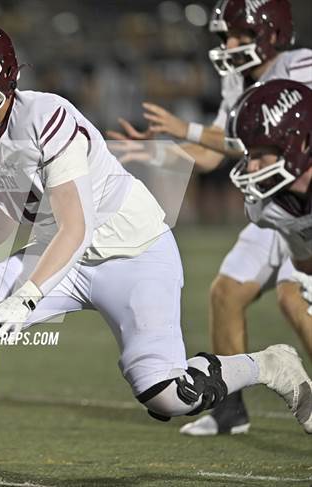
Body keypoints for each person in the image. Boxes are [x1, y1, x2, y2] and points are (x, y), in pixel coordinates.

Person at [0, 21, 312, 487]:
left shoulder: (45, 116)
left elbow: (77, 225)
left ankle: (269, 365)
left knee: (168, 395)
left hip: (131, 251)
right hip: (60, 254)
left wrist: (26, 297)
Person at [108, 0, 312, 436]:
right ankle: (229, 411)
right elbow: (212, 154)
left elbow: (268, 140)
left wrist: (186, 129)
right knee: (226, 293)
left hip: (304, 197)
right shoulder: (236, 79)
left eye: (240, 34)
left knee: (296, 299)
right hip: (276, 204)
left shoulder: (301, 66)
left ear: (272, 32)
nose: (231, 44)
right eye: (226, 36)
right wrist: (154, 152)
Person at [226, 79, 312, 322]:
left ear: (300, 143)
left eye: (260, 154)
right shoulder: (270, 208)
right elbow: (305, 262)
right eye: (248, 155)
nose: (251, 168)